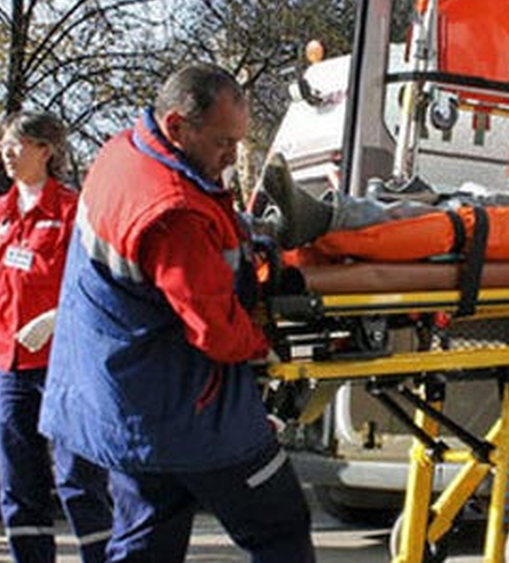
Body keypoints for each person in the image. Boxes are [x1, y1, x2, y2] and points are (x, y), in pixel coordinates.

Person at [39, 64, 316, 563]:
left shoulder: (122, 153)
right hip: (189, 410)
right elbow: (217, 331)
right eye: (222, 143)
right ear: (176, 126)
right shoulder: (173, 212)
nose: (231, 156)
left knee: (147, 540)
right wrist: (261, 344)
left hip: (122, 400)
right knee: (279, 527)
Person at [0, 111, 112, 563]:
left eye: (17, 144)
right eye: (3, 144)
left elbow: (94, 281)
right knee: (19, 478)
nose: (7, 153)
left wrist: (57, 318)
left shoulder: (72, 209)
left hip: (66, 361)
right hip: (12, 366)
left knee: (78, 476)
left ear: (46, 150)